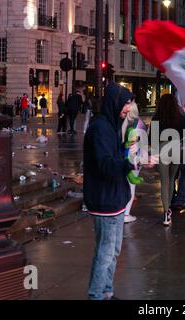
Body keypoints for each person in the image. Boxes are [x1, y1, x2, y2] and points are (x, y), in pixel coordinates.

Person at [84, 82, 135, 300]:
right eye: (126, 104)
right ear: (115, 102)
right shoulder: (100, 128)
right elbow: (105, 164)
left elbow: (113, 157)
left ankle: (106, 291)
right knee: (105, 253)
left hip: (113, 198)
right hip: (104, 198)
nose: (128, 109)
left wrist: (128, 153)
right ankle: (96, 294)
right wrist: (130, 162)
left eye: (130, 104)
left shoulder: (111, 125)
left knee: (112, 251)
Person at [152, 94, 183, 227]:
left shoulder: (156, 118)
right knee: (172, 180)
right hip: (175, 148)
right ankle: (168, 207)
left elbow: (151, 140)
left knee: (164, 182)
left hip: (161, 148)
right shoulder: (179, 118)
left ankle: (166, 212)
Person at [121, 101, 145, 224]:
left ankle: (120, 211)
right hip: (134, 160)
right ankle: (126, 214)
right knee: (131, 186)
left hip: (121, 158)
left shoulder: (122, 123)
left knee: (122, 184)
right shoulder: (139, 123)